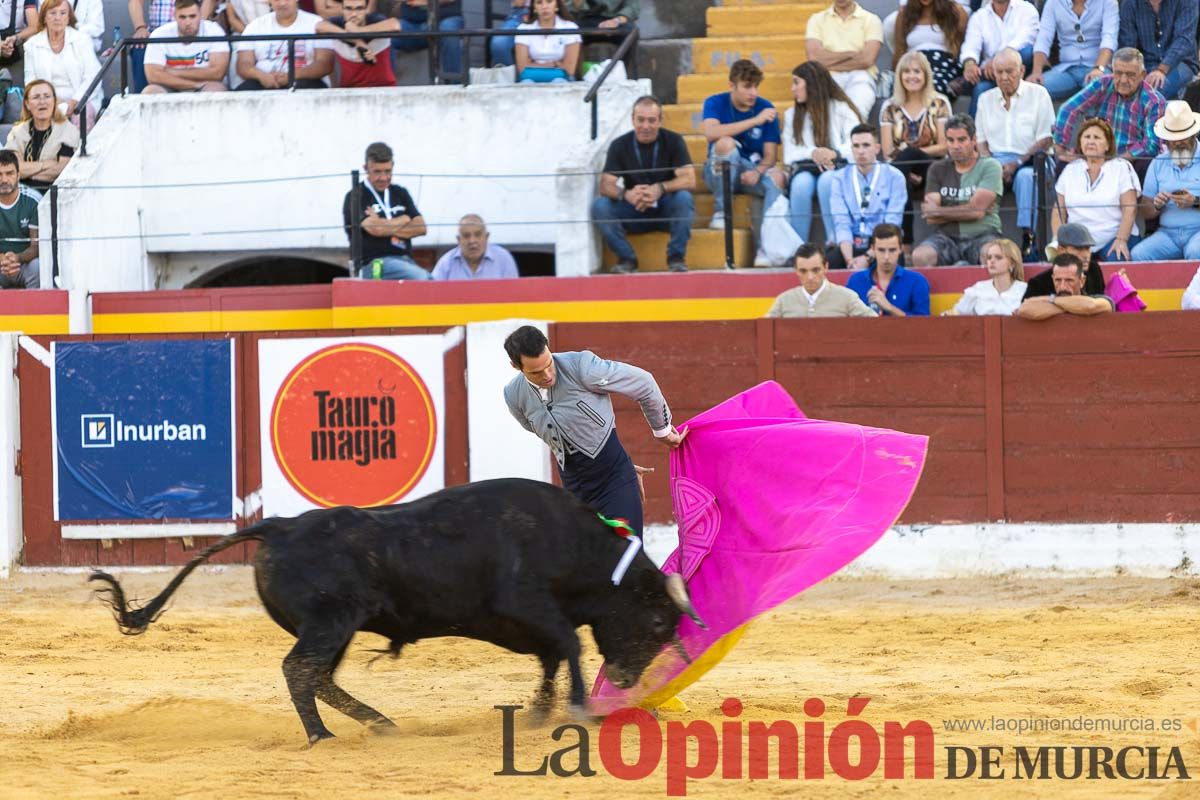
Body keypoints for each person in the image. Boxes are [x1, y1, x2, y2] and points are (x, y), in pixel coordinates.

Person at [502, 324, 684, 536]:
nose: (548, 375)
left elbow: (643, 382)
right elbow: (534, 427)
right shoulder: (514, 395)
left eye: (549, 364)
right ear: (516, 367)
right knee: (587, 561)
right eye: (536, 372)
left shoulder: (582, 367)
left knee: (626, 551)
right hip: (573, 487)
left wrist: (662, 430)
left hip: (614, 477)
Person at [592, 95, 694, 273]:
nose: (645, 126)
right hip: (634, 208)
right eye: (640, 120)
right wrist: (626, 195)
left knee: (684, 198)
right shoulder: (619, 145)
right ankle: (627, 259)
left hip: (665, 209)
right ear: (632, 119)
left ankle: (676, 258)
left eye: (652, 121)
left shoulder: (674, 141)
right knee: (600, 206)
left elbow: (690, 179)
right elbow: (605, 185)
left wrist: (660, 188)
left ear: (660, 121)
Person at [700, 59, 782, 268]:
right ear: (731, 86)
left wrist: (758, 171)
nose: (752, 92)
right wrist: (755, 121)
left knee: (775, 180)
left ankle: (766, 247)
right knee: (726, 145)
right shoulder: (715, 102)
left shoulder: (766, 108)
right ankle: (721, 211)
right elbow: (711, 133)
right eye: (747, 86)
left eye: (755, 86)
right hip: (719, 171)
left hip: (750, 172)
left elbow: (770, 156)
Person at [974, 47, 1054, 256]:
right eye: (999, 72)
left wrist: (1017, 163)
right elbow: (981, 143)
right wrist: (993, 166)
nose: (1004, 77)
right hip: (996, 160)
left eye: (1010, 71)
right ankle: (985, 241)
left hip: (1033, 158)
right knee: (981, 178)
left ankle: (1030, 240)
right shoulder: (985, 99)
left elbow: (1046, 139)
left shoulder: (1038, 94)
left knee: (1026, 177)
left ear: (1022, 70)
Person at [773, 61, 861, 245]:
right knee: (800, 185)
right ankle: (799, 246)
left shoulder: (842, 109)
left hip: (837, 168)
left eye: (797, 82)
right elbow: (789, 154)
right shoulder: (791, 115)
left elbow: (856, 143)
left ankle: (835, 241)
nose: (792, 89)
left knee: (827, 181)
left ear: (811, 83)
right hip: (805, 169)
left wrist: (833, 153)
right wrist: (815, 153)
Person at [1053, 48, 1166, 176]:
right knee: (1064, 165)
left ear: (1142, 75)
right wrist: (1060, 148)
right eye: (1118, 73)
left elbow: (1151, 145)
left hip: (1130, 161)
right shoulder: (1103, 84)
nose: (1123, 80)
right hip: (1098, 153)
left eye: (1130, 75)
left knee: (1146, 163)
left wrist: (1117, 162)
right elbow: (1068, 109)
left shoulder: (1153, 101)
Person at [880, 50, 952, 244]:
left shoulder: (939, 102)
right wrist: (908, 168)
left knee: (906, 158)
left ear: (926, 75)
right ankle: (905, 246)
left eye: (917, 71)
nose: (912, 76)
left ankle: (900, 241)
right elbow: (886, 151)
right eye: (906, 72)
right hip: (902, 171)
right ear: (899, 76)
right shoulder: (890, 106)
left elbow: (945, 147)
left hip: (934, 168)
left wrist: (911, 157)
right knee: (901, 181)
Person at [913, 114, 1003, 268]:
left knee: (991, 254)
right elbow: (930, 217)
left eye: (961, 140)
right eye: (950, 140)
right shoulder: (937, 168)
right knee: (920, 256)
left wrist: (939, 211)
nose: (955, 146)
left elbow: (976, 211)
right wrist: (968, 210)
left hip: (984, 234)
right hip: (946, 237)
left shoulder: (990, 166)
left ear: (974, 140)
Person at [1052, 117, 1140, 262]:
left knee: (1116, 257)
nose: (1090, 141)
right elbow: (1058, 211)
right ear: (1080, 142)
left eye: (1097, 137)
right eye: (1086, 137)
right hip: (1078, 242)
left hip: (1114, 237)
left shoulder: (1121, 167)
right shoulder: (1070, 170)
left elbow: (1130, 209)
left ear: (1107, 145)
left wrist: (1121, 239)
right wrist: (1058, 240)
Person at [342, 141, 431, 281]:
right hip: (374, 264)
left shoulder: (400, 192)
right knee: (425, 279)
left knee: (430, 280)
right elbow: (375, 228)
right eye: (377, 172)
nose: (383, 178)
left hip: (406, 261)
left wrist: (384, 226)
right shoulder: (355, 195)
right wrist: (405, 219)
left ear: (393, 166)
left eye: (388, 171)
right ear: (366, 168)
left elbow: (421, 228)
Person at [826, 124, 907, 271]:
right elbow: (841, 222)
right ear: (851, 149)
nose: (861, 151)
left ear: (877, 148)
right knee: (829, 263)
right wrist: (850, 260)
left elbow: (892, 225)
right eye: (856, 146)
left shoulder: (895, 177)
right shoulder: (839, 178)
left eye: (866, 145)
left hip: (882, 243)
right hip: (851, 242)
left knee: (892, 259)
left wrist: (867, 257)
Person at [1131, 102, 1200, 261]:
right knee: (1139, 254)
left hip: (1198, 231)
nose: (1177, 143)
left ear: (1193, 135)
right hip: (1167, 234)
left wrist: (1195, 202)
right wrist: (1156, 204)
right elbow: (1145, 211)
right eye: (1172, 138)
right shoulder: (1158, 163)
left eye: (1181, 137)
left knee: (1195, 252)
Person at [23, 0, 100, 125]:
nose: (57, 18)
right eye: (52, 13)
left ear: (69, 17)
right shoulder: (31, 45)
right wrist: (48, 102)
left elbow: (92, 77)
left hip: (81, 100)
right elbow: (31, 82)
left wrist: (76, 100)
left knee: (82, 116)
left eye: (63, 13)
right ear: (44, 18)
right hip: (46, 102)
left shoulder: (82, 40)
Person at [957, 0, 1040, 115]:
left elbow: (1025, 39)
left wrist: (998, 60)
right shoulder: (979, 16)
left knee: (1026, 51)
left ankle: (966, 82)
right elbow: (971, 46)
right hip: (992, 74)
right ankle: (973, 132)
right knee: (981, 90)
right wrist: (969, 64)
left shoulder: (1027, 9)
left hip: (1020, 71)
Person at [803, 0, 882, 120]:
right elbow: (814, 58)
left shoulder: (871, 19)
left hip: (862, 76)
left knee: (855, 115)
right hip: (826, 77)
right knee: (828, 119)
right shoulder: (816, 20)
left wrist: (827, 60)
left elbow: (867, 60)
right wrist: (851, 54)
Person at [1029, 0, 1119, 101]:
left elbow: (1109, 38)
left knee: (1101, 86)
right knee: (1032, 90)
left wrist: (1099, 68)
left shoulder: (1108, 2)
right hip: (1066, 70)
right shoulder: (1053, 3)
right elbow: (1043, 38)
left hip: (1097, 67)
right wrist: (1036, 72)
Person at [236, 0, 335, 90]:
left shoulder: (316, 23)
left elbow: (325, 64)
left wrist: (291, 75)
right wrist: (262, 76)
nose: (282, 3)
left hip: (305, 81)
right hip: (262, 82)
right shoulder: (255, 25)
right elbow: (243, 65)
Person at [765, 242, 876, 318]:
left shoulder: (846, 298)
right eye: (803, 271)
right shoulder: (784, 301)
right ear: (796, 271)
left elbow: (876, 325)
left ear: (826, 267)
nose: (810, 277)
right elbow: (761, 330)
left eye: (816, 270)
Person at [3, 79, 77, 190]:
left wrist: (26, 174)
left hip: (52, 193)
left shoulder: (68, 131)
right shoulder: (17, 131)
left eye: (47, 96)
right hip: (19, 193)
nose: (42, 101)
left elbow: (61, 170)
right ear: (27, 104)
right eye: (36, 97)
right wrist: (45, 164)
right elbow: (10, 169)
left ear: (54, 101)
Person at [1117, 0, 1198, 102]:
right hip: (1145, 63)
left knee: (1153, 93)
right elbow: (1128, 44)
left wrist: (1161, 69)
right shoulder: (1129, 3)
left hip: (1180, 62)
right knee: (1123, 90)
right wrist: (1137, 72)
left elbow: (1184, 40)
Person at [141, 0, 229, 94]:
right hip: (173, 86)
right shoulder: (159, 34)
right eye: (182, 17)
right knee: (150, 91)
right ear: (174, 16)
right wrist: (194, 84)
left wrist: (173, 72)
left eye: (192, 16)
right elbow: (153, 76)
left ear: (200, 14)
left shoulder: (214, 31)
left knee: (215, 90)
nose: (188, 22)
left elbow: (217, 73)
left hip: (206, 85)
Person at [847, 223, 930, 316]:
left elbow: (923, 325)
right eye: (881, 250)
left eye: (892, 250)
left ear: (900, 249)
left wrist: (890, 308)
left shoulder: (916, 281)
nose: (886, 257)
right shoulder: (855, 281)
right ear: (873, 249)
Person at [891, 0, 968, 97]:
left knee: (931, 87)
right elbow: (899, 50)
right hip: (913, 65)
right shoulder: (904, 14)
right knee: (906, 85)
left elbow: (963, 48)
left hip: (943, 66)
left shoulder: (956, 11)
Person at [317, 0, 399, 88]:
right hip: (349, 90)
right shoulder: (337, 22)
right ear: (342, 9)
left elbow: (395, 25)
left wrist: (358, 31)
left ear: (366, 9)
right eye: (348, 9)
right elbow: (319, 26)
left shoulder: (376, 19)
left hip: (383, 88)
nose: (354, 14)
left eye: (359, 9)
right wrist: (358, 41)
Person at [942, 237, 1027, 315]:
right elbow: (955, 314)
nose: (992, 261)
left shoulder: (1025, 290)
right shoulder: (978, 289)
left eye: (998, 257)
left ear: (1012, 263)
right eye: (989, 257)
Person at [1015, 253, 1113, 318]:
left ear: (1082, 281)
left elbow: (1089, 306)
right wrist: (1072, 307)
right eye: (1058, 280)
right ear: (1053, 279)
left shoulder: (1099, 299)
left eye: (1069, 280)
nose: (1062, 287)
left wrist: (1052, 301)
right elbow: (1024, 308)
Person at [1024, 222, 1105, 298]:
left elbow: (1105, 304)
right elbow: (1026, 309)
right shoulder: (1038, 284)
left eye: (1087, 248)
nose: (1086, 255)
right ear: (1061, 250)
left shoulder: (1094, 270)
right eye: (1078, 248)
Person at [390, 0, 464, 79]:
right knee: (387, 35)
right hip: (412, 23)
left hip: (445, 18)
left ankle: (454, 86)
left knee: (448, 30)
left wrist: (423, 1)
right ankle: (386, 88)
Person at [431, 215, 519, 280]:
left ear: (486, 237)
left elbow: (514, 295)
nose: (472, 241)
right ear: (458, 240)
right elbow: (432, 294)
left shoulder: (504, 259)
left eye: (478, 235)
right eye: (466, 235)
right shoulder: (446, 263)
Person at [0, 150, 40, 289]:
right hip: (1, 265)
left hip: (25, 264)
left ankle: (36, 309)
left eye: (9, 173)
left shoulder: (33, 201)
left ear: (18, 175)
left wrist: (17, 258)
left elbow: (36, 247)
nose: (4, 180)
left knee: (38, 267)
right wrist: (3, 259)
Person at [514, 0, 579, 83]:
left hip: (562, 78)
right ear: (534, 7)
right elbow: (522, 68)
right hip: (530, 77)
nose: (544, 6)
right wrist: (555, 64)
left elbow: (570, 69)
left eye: (549, 1)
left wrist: (533, 64)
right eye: (539, 2)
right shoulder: (523, 28)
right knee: (526, 83)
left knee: (559, 82)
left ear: (557, 5)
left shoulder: (571, 27)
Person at [21, 0, 102, 51]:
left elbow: (97, 27)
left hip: (80, 45)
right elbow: (40, 24)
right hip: (49, 43)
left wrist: (70, 31)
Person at [489, 0, 530, 67]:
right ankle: (506, 76)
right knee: (499, 43)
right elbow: (518, 2)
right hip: (520, 13)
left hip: (550, 14)